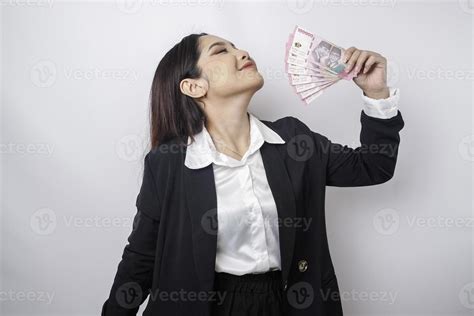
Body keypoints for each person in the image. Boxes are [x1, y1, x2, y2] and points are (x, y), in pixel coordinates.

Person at [101, 32, 404, 316]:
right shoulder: (167, 163)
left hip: (291, 303)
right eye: (221, 50)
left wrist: (376, 92)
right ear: (194, 86)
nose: (241, 52)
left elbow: (375, 166)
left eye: (236, 47)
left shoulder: (294, 140)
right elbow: (141, 258)